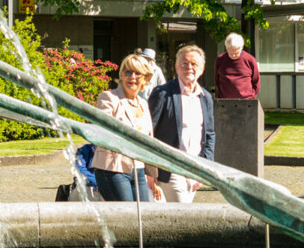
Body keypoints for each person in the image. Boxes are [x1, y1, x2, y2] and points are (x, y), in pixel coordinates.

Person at [149, 44, 216, 203]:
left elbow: (209, 134)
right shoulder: (163, 93)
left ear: (202, 68)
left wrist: (204, 169)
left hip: (194, 170)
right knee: (182, 214)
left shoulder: (205, 97)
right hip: (170, 169)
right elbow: (149, 132)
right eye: (184, 63)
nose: (189, 68)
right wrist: (149, 171)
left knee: (176, 216)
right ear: (176, 67)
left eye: (194, 64)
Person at [92, 54, 156, 202]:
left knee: (143, 215)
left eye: (137, 73)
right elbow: (102, 130)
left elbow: (149, 140)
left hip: (138, 169)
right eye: (128, 72)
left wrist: (152, 172)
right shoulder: (109, 97)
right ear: (121, 75)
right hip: (113, 168)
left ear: (145, 78)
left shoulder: (143, 104)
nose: (132, 77)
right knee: (127, 218)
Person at [214, 33, 260, 100]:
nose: (233, 55)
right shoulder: (220, 60)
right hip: (225, 101)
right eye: (230, 53)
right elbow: (216, 80)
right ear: (226, 48)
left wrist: (252, 96)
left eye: (236, 53)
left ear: (242, 47)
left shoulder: (250, 60)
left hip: (246, 101)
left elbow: (256, 81)